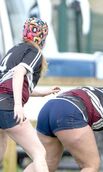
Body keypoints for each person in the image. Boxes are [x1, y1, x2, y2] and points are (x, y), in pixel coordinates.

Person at [0, 17, 60, 171]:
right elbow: (19, 72)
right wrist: (18, 105)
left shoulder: (14, 50)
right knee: (39, 153)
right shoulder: (34, 52)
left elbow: (7, 83)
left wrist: (41, 93)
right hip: (8, 107)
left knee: (2, 146)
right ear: (43, 38)